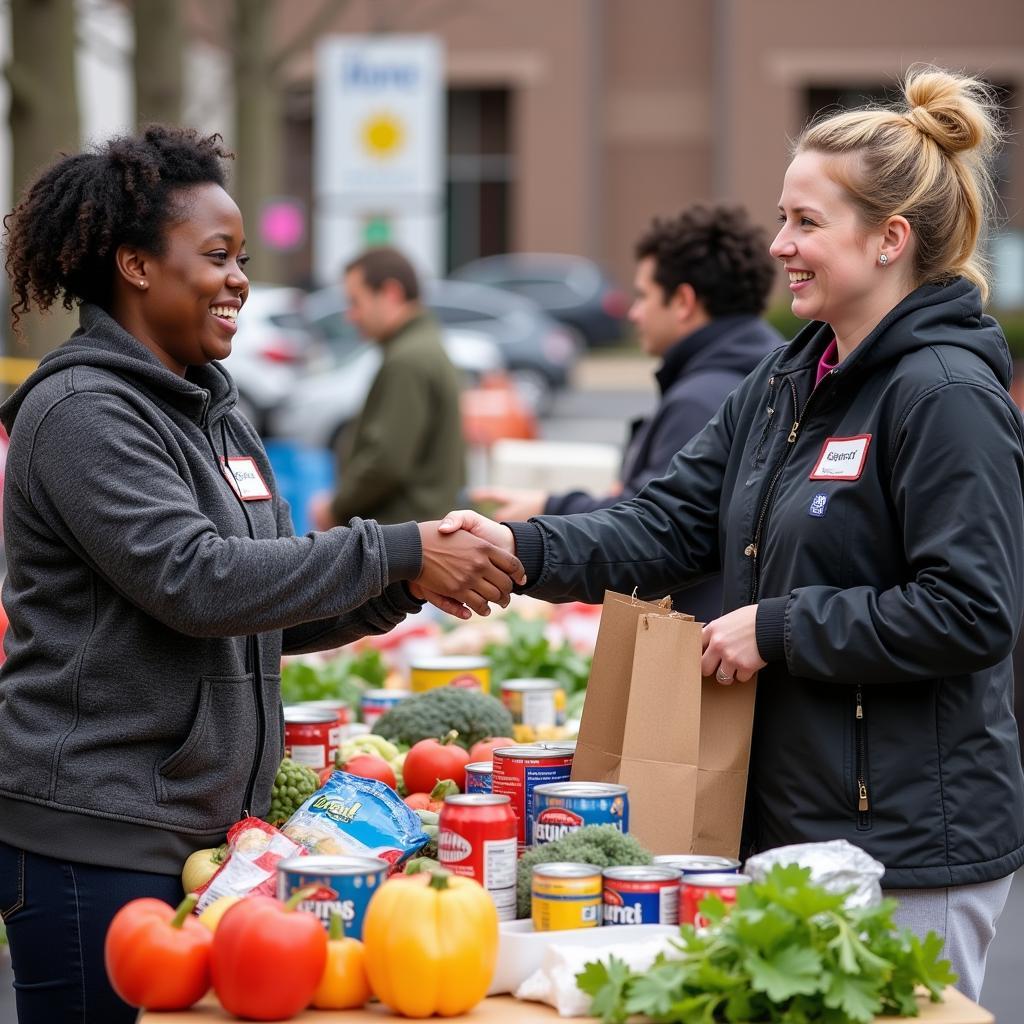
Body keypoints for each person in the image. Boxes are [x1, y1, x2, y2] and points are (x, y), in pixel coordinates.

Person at [440, 66, 1024, 999]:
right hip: (792, 827)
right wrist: (522, 551)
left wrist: (780, 627)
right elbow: (667, 521)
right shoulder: (790, 379)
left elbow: (970, 613)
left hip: (911, 848)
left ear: (890, 240)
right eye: (780, 218)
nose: (779, 245)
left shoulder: (945, 395)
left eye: (805, 223)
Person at [0, 125, 521, 1024]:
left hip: (207, 842)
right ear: (132, 263)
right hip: (95, 835)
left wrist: (405, 587)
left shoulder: (216, 412)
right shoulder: (82, 410)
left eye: (242, 257)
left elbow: (258, 604)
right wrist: (400, 547)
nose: (241, 279)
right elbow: (197, 583)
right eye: (216, 256)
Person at [473, 204, 782, 620]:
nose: (634, 312)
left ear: (684, 301)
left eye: (643, 295)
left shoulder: (703, 399)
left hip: (700, 638)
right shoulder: (757, 376)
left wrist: (536, 524)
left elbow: (650, 529)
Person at [310, 246, 466, 530]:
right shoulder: (423, 347)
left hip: (402, 538)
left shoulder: (408, 359)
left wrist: (336, 507)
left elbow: (387, 461)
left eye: (356, 302)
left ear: (391, 293)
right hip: (419, 532)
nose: (351, 315)